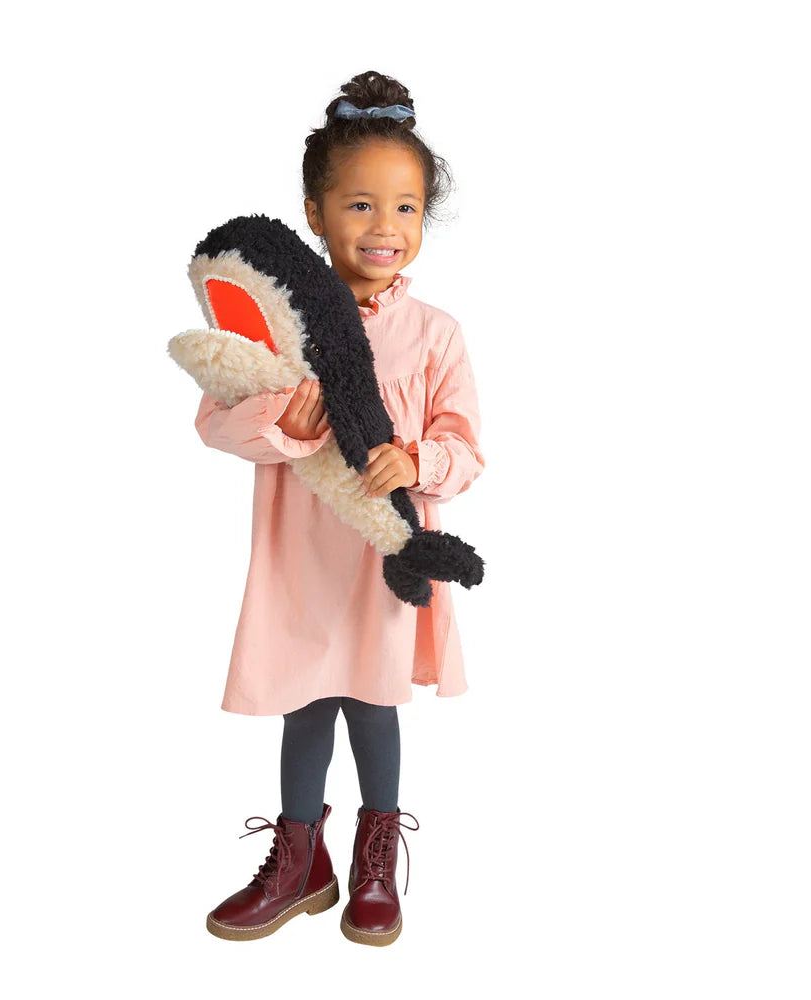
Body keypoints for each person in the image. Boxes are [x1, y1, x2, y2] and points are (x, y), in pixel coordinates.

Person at [194, 70, 486, 946]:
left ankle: (373, 859)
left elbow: (467, 451)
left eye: (405, 208)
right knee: (305, 702)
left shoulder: (434, 334)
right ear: (314, 214)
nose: (384, 226)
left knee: (372, 700)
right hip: (299, 553)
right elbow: (213, 422)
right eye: (360, 205)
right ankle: (299, 862)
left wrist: (419, 458)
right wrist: (281, 424)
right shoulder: (276, 324)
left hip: (381, 556)